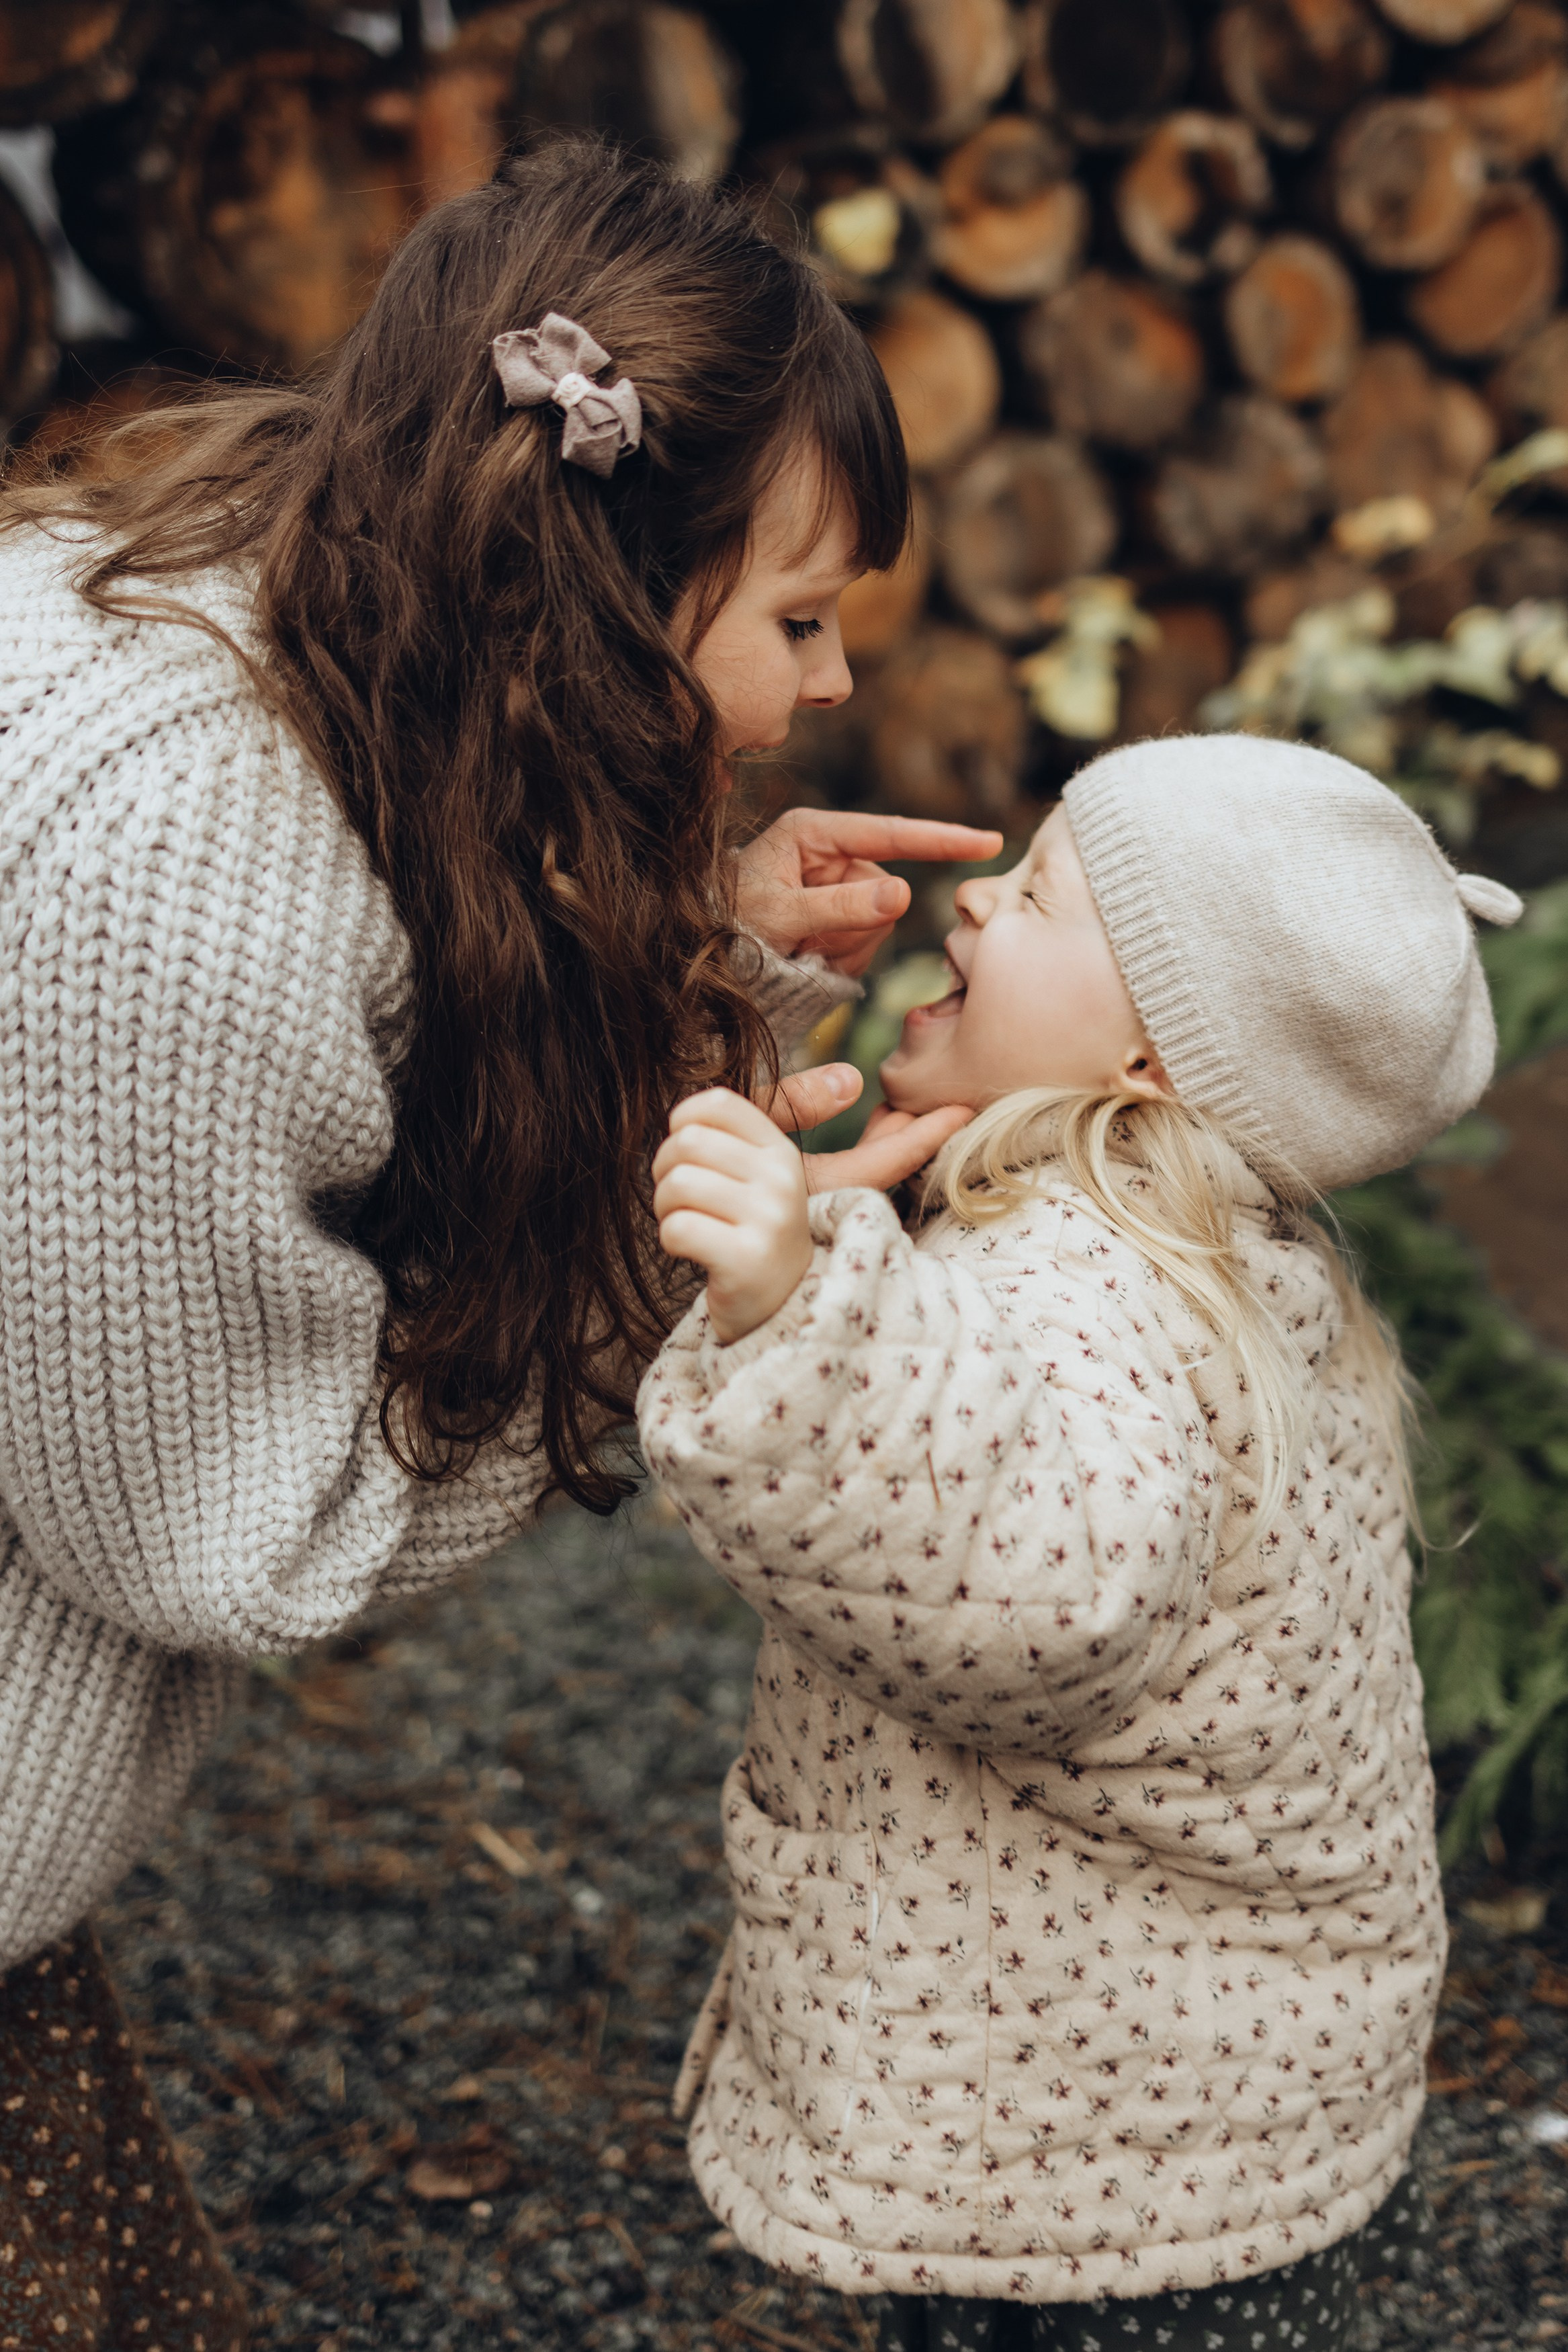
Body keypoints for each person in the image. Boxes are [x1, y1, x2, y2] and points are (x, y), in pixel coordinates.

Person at [0, 137, 1001, 2348]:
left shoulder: (260, 592)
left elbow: (372, 1039)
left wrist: (691, 952)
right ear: (603, 585)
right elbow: (232, 1533)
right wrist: (669, 1274)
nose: (832, 683)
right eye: (797, 619)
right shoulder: (179, 866)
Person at [638, 732, 1524, 2350]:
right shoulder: (1177, 1253)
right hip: (1162, 2116)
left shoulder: (1091, 1284)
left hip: (1095, 2158)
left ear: (1152, 1062)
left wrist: (793, 1310)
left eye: (1042, 896)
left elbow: (1034, 1603)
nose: (978, 905)